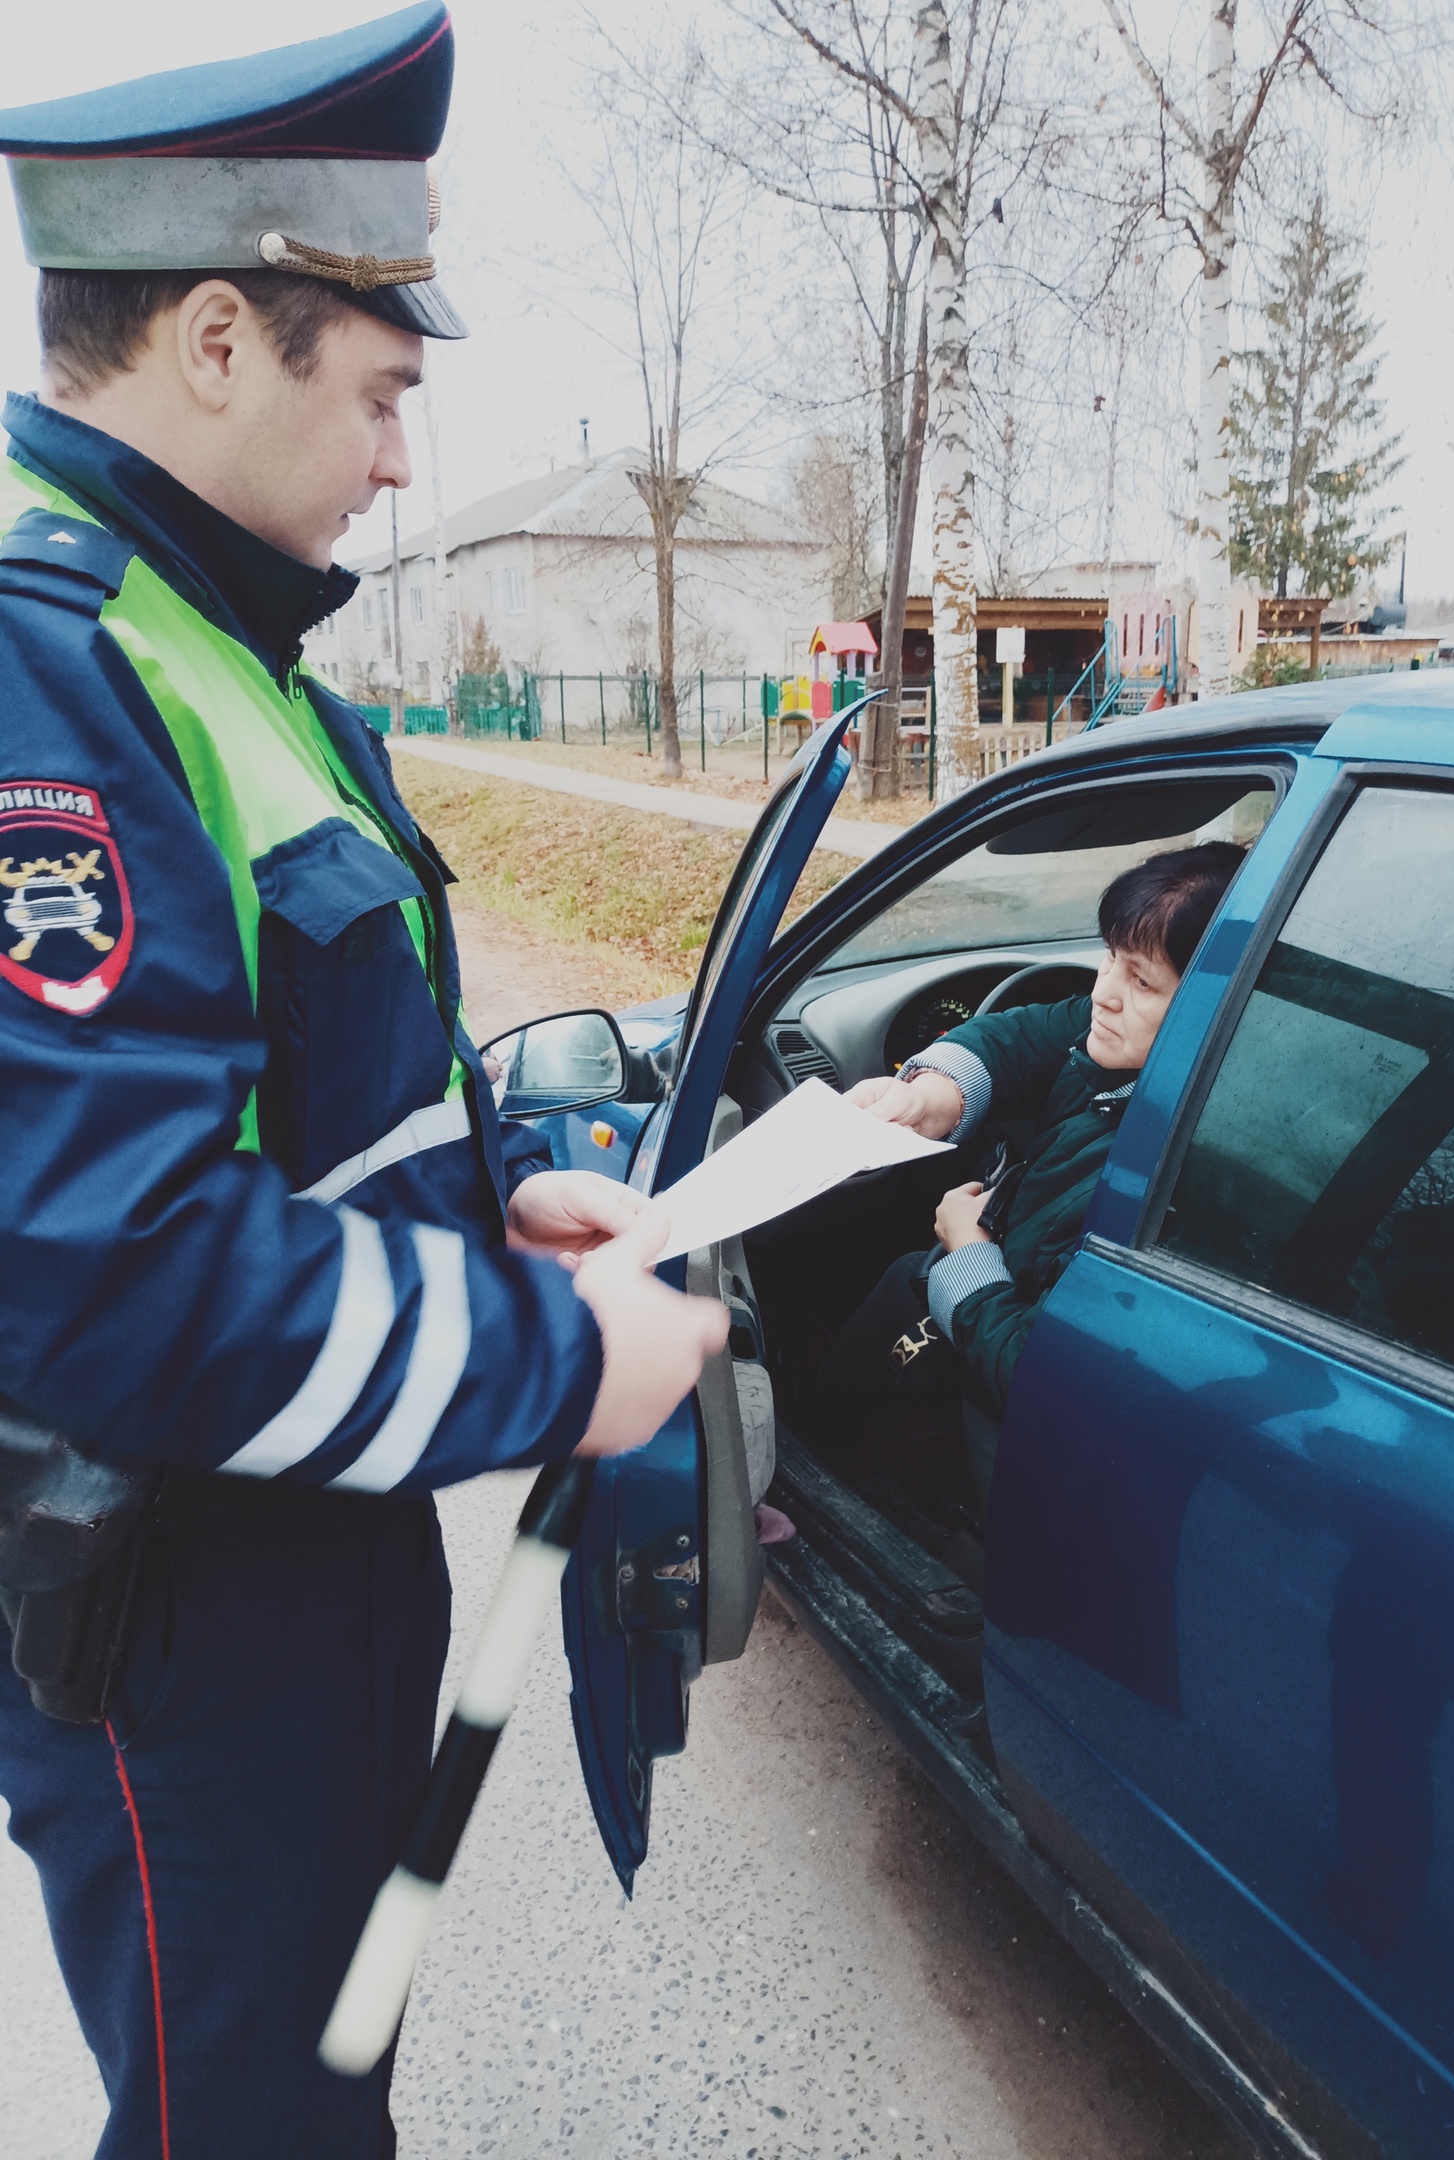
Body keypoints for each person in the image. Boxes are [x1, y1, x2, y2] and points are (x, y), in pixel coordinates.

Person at [0, 11, 726, 2158]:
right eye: (386, 389)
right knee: (250, 2126)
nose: (403, 458)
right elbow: (113, 1276)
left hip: (297, 1554)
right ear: (221, 338)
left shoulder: (225, 651)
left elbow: (269, 1097)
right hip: (183, 1602)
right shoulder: (54, 669)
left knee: (316, 2097)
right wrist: (557, 1359)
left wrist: (484, 1213)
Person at [819, 843, 1246, 1501]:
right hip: (994, 1292)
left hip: (1016, 1436)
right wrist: (931, 1097)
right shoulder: (1138, 1056)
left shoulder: (1179, 1180)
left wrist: (967, 1253)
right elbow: (1027, 1037)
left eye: (1142, 982)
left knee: (905, 1289)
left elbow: (1036, 1373)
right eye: (1111, 957)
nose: (1103, 994)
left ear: (1219, 1006)